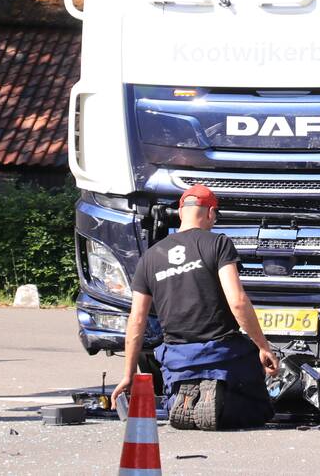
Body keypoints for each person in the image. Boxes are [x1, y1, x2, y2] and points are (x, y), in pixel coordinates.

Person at [111, 184, 278, 430]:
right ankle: (216, 393)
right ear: (211, 213)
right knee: (258, 410)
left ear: (180, 213)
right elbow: (237, 301)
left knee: (175, 398)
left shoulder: (150, 256)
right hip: (223, 351)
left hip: (177, 356)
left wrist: (128, 375)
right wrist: (262, 346)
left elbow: (137, 320)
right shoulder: (218, 243)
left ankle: (190, 391)